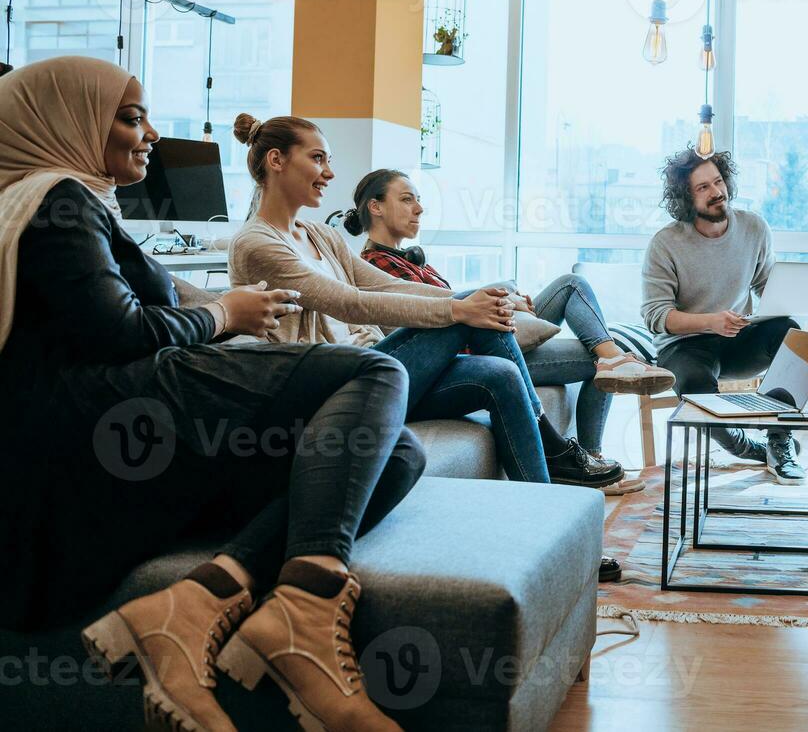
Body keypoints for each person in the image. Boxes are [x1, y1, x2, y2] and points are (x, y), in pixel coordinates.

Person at [0, 57, 415, 731]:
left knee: (397, 452)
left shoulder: (68, 204)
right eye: (131, 117)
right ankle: (303, 623)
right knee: (374, 373)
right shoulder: (57, 200)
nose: (152, 134)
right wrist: (226, 315)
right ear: (64, 122)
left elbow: (142, 302)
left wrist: (220, 307)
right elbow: (123, 329)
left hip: (129, 420)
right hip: (108, 420)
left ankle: (191, 605)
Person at [226, 113, 621, 492]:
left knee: (500, 373)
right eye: (317, 158)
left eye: (329, 160)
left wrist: (473, 300)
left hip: (375, 368)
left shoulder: (318, 235)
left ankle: (543, 514)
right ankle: (555, 449)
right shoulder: (257, 244)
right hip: (330, 390)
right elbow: (351, 304)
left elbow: (385, 286)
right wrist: (460, 309)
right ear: (276, 160)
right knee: (469, 311)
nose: (329, 172)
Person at [342, 167, 674, 468]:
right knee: (593, 359)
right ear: (376, 206)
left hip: (489, 332)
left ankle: (614, 358)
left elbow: (455, 299)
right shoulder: (376, 266)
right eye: (407, 199)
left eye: (419, 200)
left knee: (571, 284)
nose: (419, 208)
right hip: (476, 351)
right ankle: (588, 455)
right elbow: (440, 314)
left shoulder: (412, 261)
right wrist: (504, 300)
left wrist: (509, 299)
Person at [641, 148, 805, 484]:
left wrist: (785, 300)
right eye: (703, 188)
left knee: (792, 334)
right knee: (694, 385)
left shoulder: (754, 227)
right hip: (684, 345)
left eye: (718, 181)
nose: (717, 192)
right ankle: (746, 447)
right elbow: (656, 315)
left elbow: (764, 285)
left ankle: (779, 441)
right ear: (685, 198)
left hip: (737, 339)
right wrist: (711, 320)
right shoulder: (665, 243)